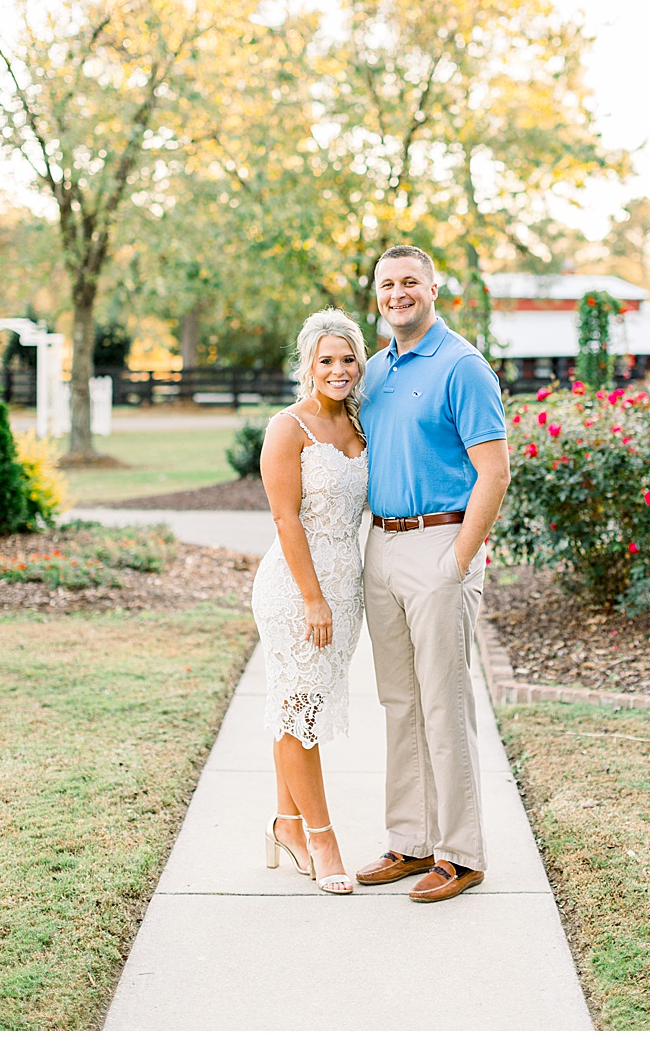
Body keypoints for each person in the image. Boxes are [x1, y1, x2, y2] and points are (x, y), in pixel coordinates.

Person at [352, 244, 510, 903]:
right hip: (381, 548)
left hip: (440, 543)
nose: (398, 293)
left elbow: (495, 471)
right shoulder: (377, 370)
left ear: (434, 288)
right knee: (400, 704)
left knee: (445, 704)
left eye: (409, 281)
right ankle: (411, 840)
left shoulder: (462, 366)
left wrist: (459, 560)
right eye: (388, 284)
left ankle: (461, 852)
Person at [253, 308, 370, 896]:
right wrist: (313, 599)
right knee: (302, 712)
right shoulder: (288, 427)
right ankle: (321, 839)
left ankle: (285, 824)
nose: (338, 369)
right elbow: (284, 516)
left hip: (346, 587)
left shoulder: (359, 426)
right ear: (309, 365)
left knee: (295, 706)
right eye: (326, 360)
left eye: (347, 358)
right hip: (298, 590)